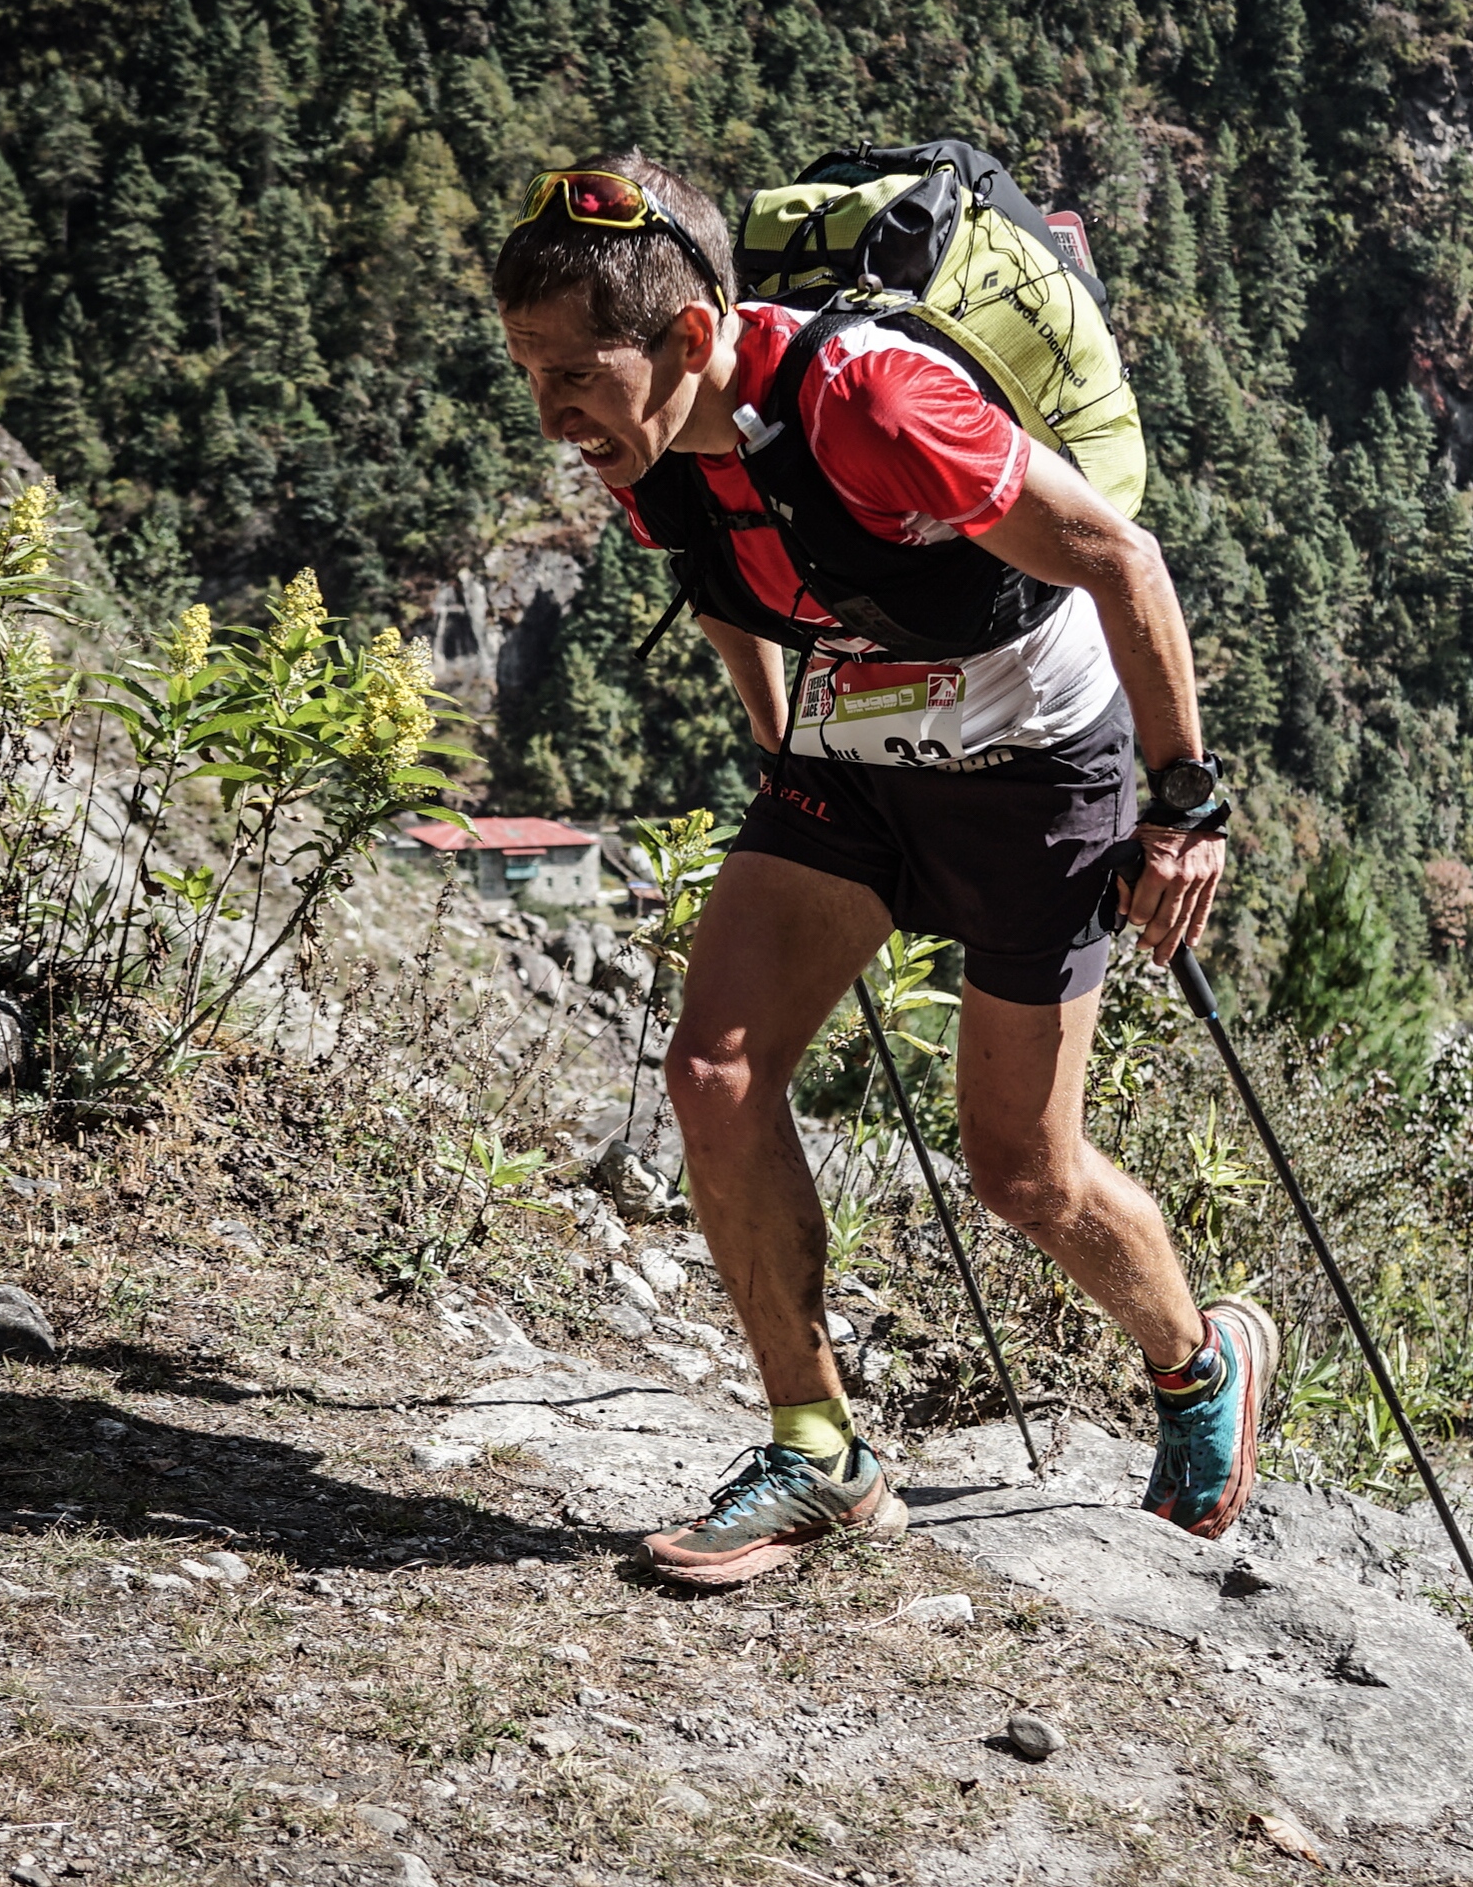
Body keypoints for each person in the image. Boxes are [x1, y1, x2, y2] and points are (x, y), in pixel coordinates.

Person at [494, 153, 1275, 1584]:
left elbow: (1117, 557)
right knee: (715, 1072)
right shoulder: (644, 443)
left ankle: (1197, 1361)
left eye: (569, 373)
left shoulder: (867, 401)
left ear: (684, 339)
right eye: (527, 372)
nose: (552, 413)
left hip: (1035, 760)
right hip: (852, 751)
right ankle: (819, 1452)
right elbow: (722, 584)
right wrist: (783, 750)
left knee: (1023, 1176)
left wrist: (1186, 808)